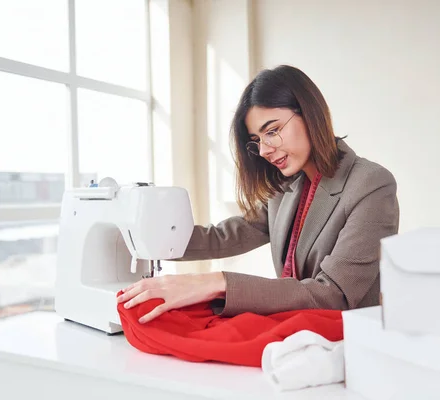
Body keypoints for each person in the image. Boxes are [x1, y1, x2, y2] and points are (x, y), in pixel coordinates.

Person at [117, 65, 400, 324]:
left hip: (351, 346)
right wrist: (146, 238)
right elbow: (223, 237)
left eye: (273, 131)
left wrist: (217, 282)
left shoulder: (370, 185)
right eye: (257, 140)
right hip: (299, 335)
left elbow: (333, 294)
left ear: (310, 114)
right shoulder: (286, 189)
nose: (264, 150)